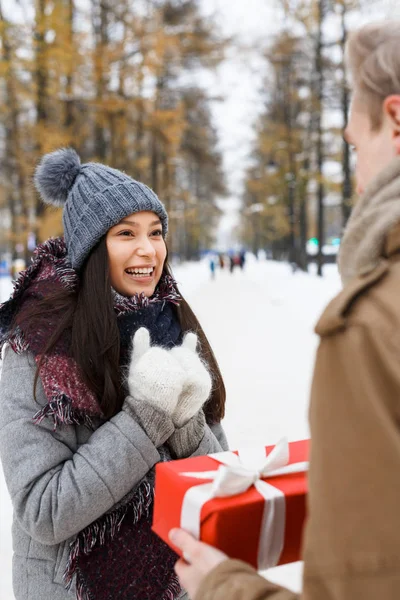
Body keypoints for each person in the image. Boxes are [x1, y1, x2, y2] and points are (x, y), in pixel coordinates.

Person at [169, 20, 400, 600]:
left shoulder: (371, 326)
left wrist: (225, 586)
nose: (354, 175)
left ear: (395, 121)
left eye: (355, 144)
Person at [0, 148, 228, 600]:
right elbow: (43, 510)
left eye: (156, 232)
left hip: (175, 585)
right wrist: (145, 418)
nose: (148, 249)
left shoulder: (173, 326)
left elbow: (219, 490)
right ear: (92, 248)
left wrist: (187, 425)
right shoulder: (38, 347)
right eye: (126, 233)